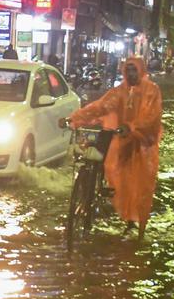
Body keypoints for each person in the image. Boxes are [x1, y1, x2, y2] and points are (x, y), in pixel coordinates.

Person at [60, 56, 163, 240]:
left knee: (140, 185)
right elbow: (100, 107)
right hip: (122, 140)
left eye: (134, 70)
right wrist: (74, 118)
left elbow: (151, 116)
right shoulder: (120, 91)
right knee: (118, 177)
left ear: (141, 71)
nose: (131, 74)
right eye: (128, 70)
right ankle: (122, 217)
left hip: (143, 145)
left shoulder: (151, 91)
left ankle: (138, 227)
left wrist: (132, 127)